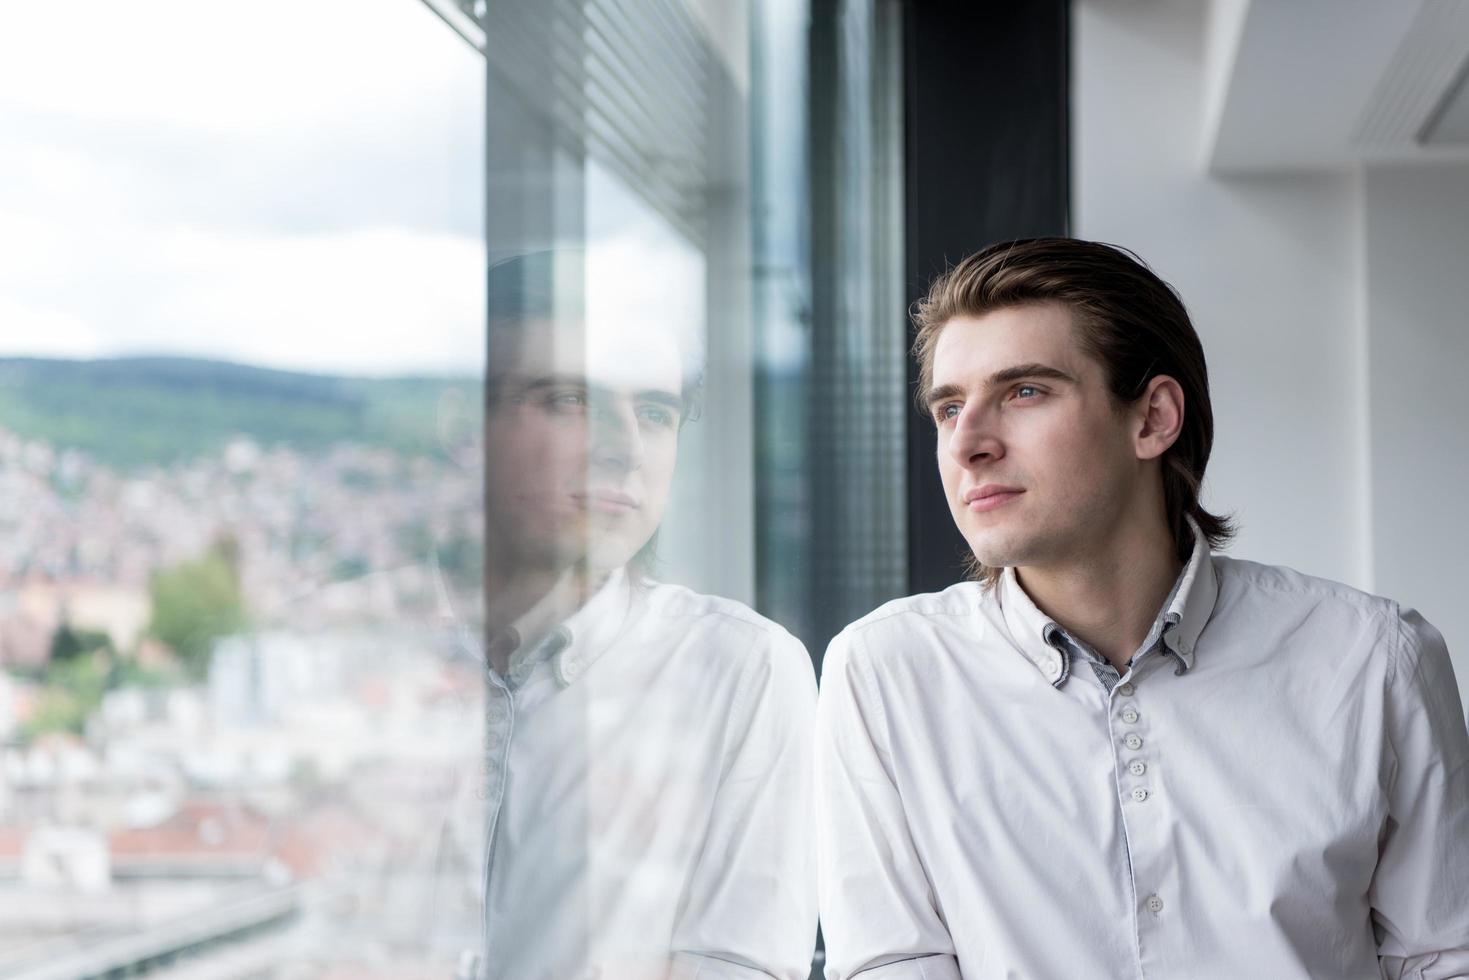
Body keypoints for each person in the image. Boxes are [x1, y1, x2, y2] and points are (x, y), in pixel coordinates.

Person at [814, 238, 1469, 980]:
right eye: (948, 407)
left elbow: (1444, 959)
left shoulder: (1373, 658)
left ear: (1152, 418)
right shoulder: (884, 673)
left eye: (1024, 391)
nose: (967, 445)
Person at [441, 250, 816, 980]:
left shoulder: (739, 672)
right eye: (568, 401)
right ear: (465, 425)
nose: (622, 451)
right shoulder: (368, 648)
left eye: (653, 412)